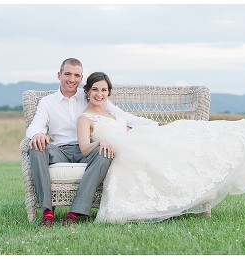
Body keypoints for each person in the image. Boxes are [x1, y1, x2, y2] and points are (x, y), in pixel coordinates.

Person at [76, 72, 245, 223]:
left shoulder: (114, 114)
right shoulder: (85, 118)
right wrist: (101, 141)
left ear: (108, 93)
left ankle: (239, 131)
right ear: (87, 91)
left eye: (103, 90)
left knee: (179, 133)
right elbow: (85, 149)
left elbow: (130, 126)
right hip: (119, 150)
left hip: (132, 140)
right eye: (95, 90)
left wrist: (154, 127)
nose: (99, 94)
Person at [26, 58, 159, 227]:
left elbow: (125, 117)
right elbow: (35, 126)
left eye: (76, 75)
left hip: (88, 150)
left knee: (106, 152)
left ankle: (74, 212)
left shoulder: (91, 94)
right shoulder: (47, 102)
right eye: (67, 74)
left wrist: (155, 124)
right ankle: (47, 212)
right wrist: (37, 134)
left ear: (81, 78)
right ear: (59, 75)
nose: (71, 79)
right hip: (60, 150)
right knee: (36, 147)